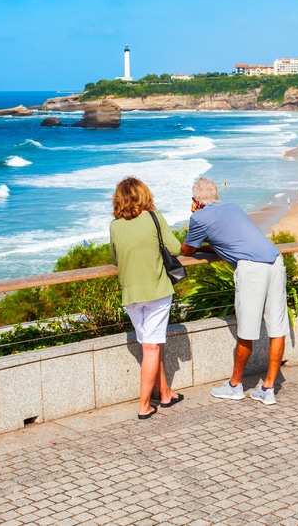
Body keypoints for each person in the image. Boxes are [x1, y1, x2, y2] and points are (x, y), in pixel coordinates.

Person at [181, 177, 286, 406]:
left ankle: (235, 386)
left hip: (251, 268)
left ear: (196, 201)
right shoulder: (233, 207)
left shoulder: (198, 217)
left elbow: (187, 250)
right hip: (275, 260)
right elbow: (230, 237)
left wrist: (195, 215)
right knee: (277, 328)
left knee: (246, 331)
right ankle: (268, 388)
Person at [109, 176, 184, 420]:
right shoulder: (154, 218)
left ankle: (165, 393)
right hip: (156, 290)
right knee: (152, 346)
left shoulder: (115, 226)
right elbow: (175, 248)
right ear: (144, 195)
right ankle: (144, 406)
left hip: (130, 293)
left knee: (151, 343)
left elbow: (114, 258)